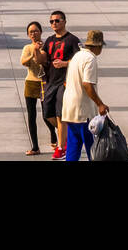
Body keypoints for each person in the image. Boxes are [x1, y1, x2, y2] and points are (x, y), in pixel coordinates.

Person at [61, 30, 108, 161]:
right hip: (83, 112)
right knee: (92, 148)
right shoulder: (90, 58)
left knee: (73, 146)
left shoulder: (77, 56)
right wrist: (100, 104)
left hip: (70, 109)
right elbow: (87, 84)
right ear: (97, 46)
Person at [41, 10, 81, 160]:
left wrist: (65, 63)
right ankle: (69, 134)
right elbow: (42, 59)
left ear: (64, 21)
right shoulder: (49, 40)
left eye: (57, 21)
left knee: (60, 114)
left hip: (65, 81)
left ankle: (61, 147)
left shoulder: (72, 40)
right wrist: (36, 49)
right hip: (50, 80)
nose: (54, 24)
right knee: (47, 113)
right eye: (51, 21)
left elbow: (80, 60)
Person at [21, 21, 49, 155]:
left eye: (36, 31)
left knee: (47, 114)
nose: (33, 34)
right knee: (31, 116)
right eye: (31, 32)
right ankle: (35, 147)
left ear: (41, 32)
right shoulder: (27, 48)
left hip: (44, 83)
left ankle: (54, 137)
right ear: (28, 35)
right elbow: (23, 62)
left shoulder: (47, 45)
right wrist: (33, 52)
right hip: (31, 83)